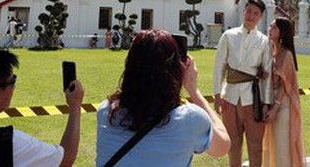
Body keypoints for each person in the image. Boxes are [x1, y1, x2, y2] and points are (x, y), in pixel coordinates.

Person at [96, 29, 230, 166]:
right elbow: (222, 146)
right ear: (176, 68)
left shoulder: (106, 110)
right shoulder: (190, 117)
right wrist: (193, 89)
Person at [0, 49, 84, 166]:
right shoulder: (10, 143)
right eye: (13, 81)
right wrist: (75, 106)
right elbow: (65, 160)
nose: (13, 87)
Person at [213, 0, 272, 167]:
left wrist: (266, 103)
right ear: (243, 11)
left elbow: (267, 74)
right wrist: (217, 94)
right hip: (230, 97)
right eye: (249, 11)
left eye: (256, 13)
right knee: (233, 143)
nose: (251, 16)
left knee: (255, 146)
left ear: (260, 17)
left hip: (253, 99)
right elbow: (219, 67)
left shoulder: (264, 41)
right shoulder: (228, 36)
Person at [262, 17, 305, 167]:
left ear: (282, 33)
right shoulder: (271, 51)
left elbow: (284, 86)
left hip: (281, 105)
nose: (269, 29)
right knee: (270, 146)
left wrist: (274, 108)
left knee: (281, 148)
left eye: (273, 27)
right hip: (270, 102)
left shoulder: (286, 55)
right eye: (270, 26)